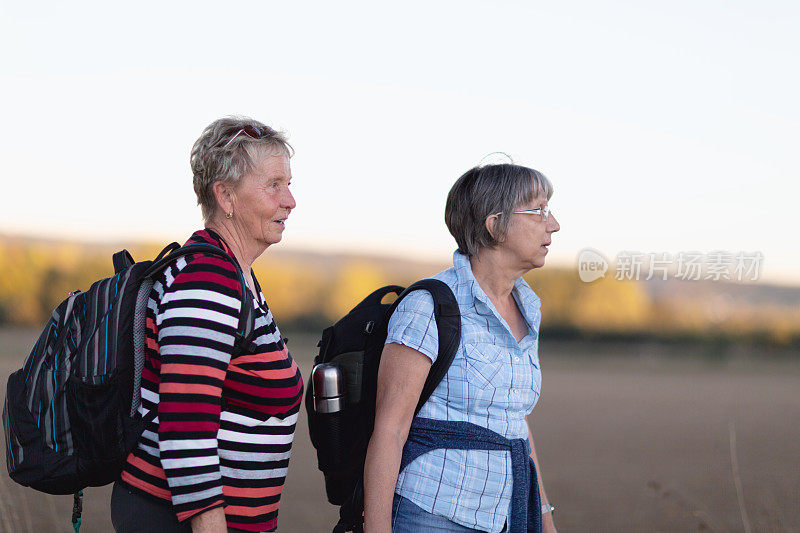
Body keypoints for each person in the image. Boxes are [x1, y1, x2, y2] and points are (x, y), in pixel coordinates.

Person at [112, 117, 303, 533]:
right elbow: (186, 424)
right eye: (274, 184)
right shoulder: (208, 282)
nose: (290, 200)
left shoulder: (236, 274)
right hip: (176, 520)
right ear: (226, 196)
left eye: (288, 183)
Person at [363, 162, 560, 533]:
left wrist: (545, 518)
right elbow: (390, 429)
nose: (553, 224)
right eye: (538, 211)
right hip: (432, 515)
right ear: (495, 224)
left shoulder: (528, 309)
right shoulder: (428, 306)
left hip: (507, 518)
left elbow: (515, 422)